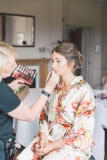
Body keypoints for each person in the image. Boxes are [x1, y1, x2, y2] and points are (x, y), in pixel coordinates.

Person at [17, 42, 96, 160]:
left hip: (72, 144)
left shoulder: (84, 90)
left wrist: (51, 147)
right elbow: (43, 115)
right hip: (49, 137)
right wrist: (43, 138)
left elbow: (80, 131)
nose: (53, 66)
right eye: (52, 61)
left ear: (71, 64)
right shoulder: (53, 85)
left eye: (58, 61)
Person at [0, 42, 59, 160]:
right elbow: (30, 116)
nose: (16, 65)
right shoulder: (3, 92)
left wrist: (10, 87)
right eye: (12, 64)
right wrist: (48, 88)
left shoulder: (4, 87)